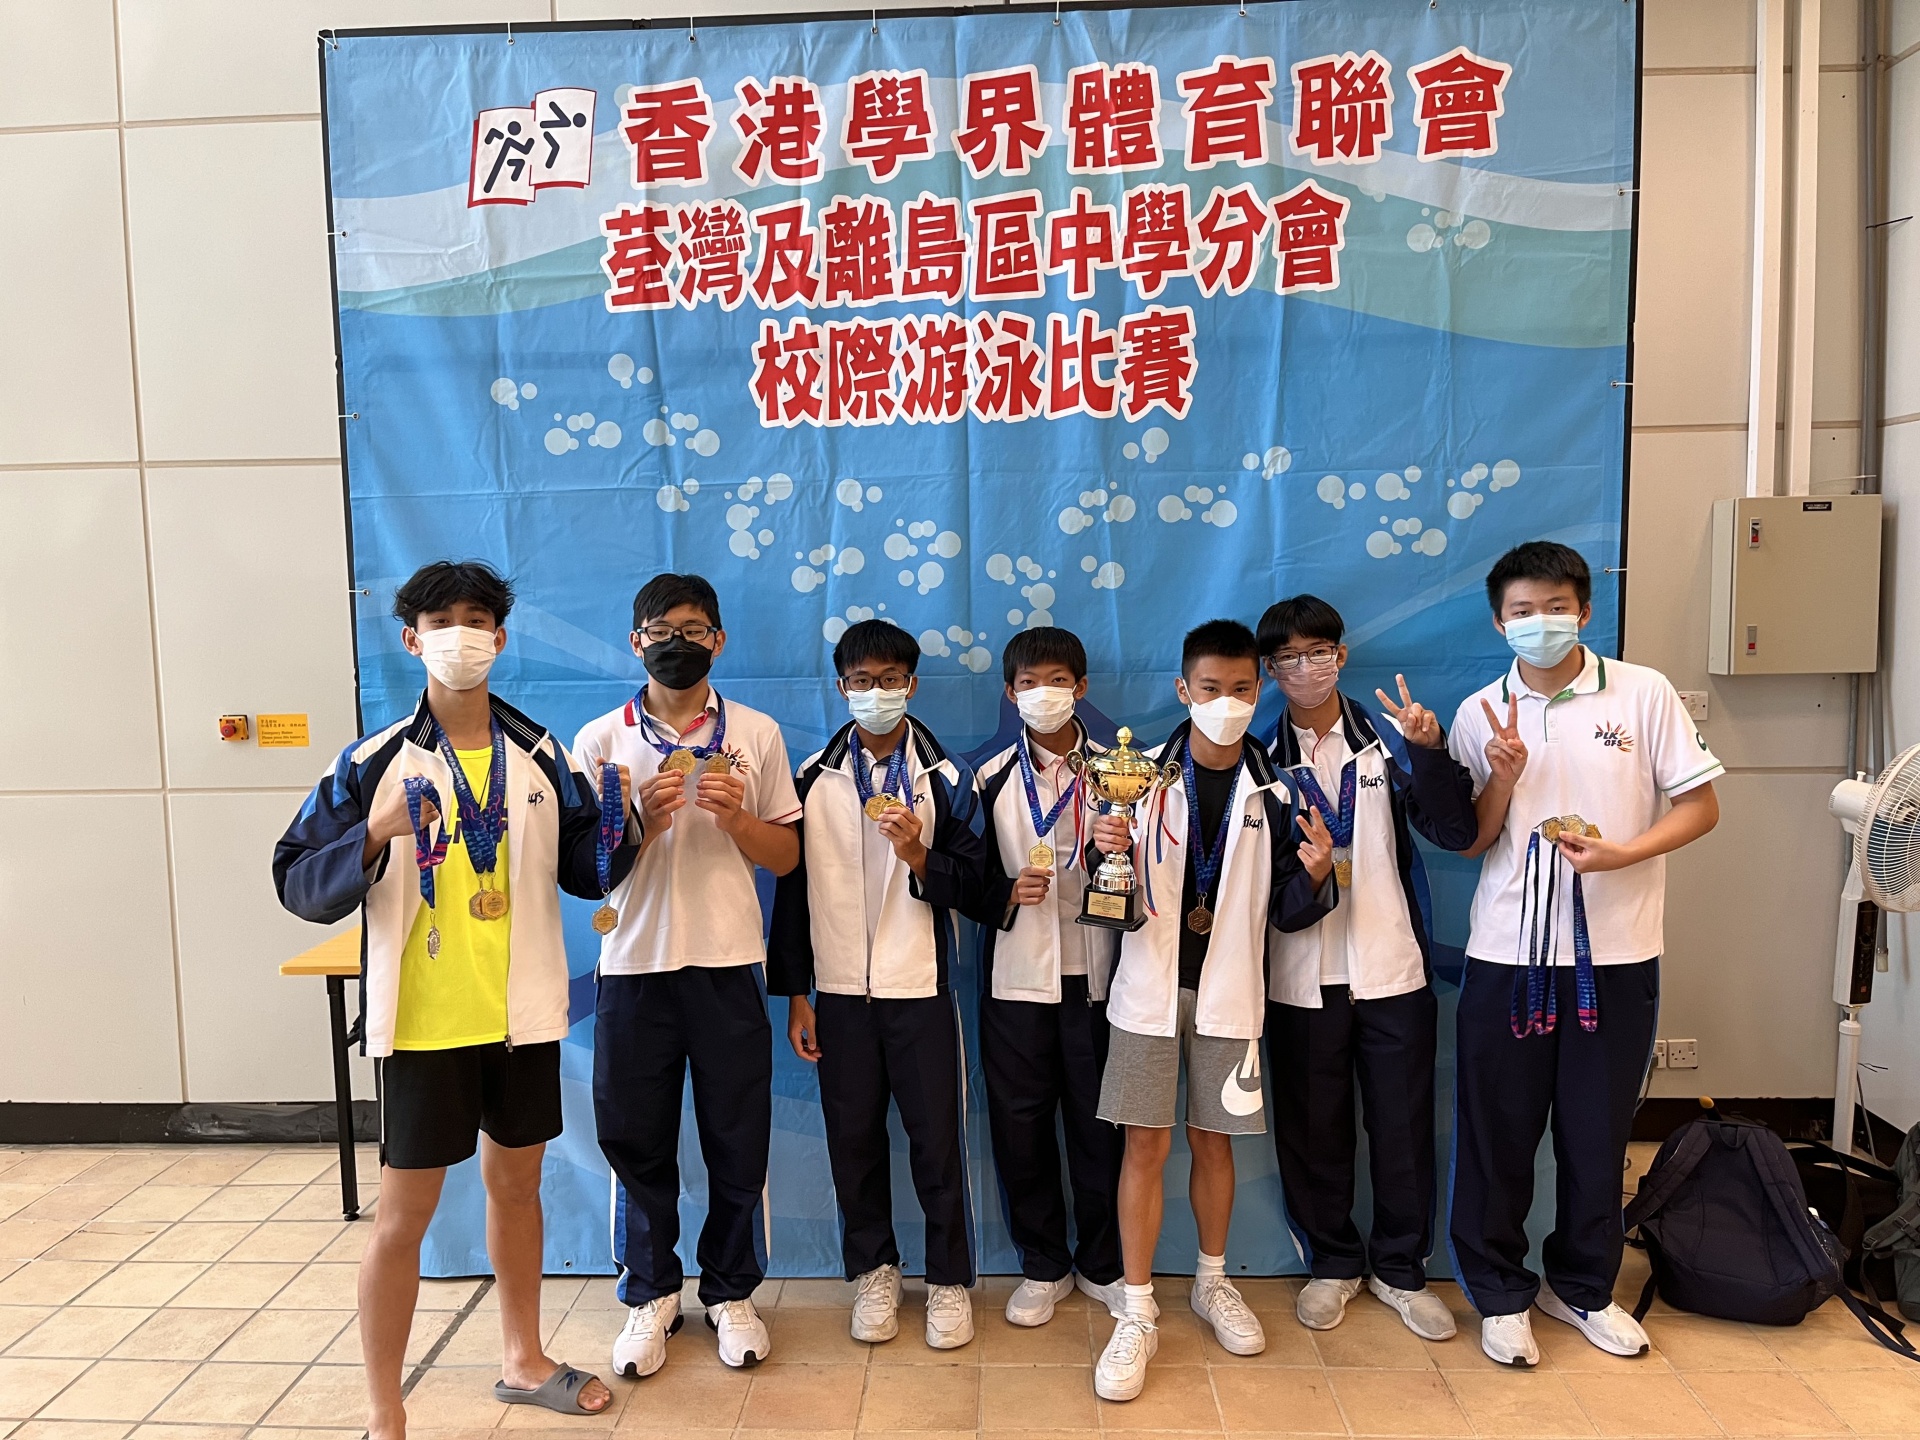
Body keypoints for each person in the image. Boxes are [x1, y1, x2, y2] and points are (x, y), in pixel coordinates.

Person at [273, 561, 632, 1438]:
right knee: (404, 1218)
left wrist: (631, 827)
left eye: (476, 620)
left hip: (522, 1018)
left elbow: (586, 870)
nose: (460, 636)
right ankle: (384, 1410)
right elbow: (295, 879)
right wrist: (374, 831)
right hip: (424, 1026)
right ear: (411, 639)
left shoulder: (542, 754)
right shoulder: (371, 762)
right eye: (441, 622)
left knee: (519, 1189)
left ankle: (523, 1359)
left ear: (499, 639)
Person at [1446, 541, 1721, 1367]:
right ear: (1499, 623)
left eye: (1555, 607)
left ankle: (1583, 1287)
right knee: (1497, 1133)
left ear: (1585, 611)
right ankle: (1500, 1293)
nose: (1541, 623)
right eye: (1522, 612)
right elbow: (1473, 841)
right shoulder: (1478, 712)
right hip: (1506, 955)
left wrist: (1623, 854)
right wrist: (1501, 776)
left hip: (1618, 954)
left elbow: (1701, 806)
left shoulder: (1643, 692)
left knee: (1597, 1135)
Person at [1087, 619, 1338, 1402]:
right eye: (1210, 689)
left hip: (1232, 997)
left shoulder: (1281, 789)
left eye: (1239, 690)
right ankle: (1136, 1307)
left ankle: (1212, 1280)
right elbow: (1107, 897)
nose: (1225, 702)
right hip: (1146, 995)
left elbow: (1287, 911)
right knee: (1144, 1145)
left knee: (1215, 1143)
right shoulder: (1136, 780)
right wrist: (1103, 849)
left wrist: (1317, 874)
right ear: (1182, 691)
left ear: (1258, 692)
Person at [572, 574, 802, 1377]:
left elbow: (787, 856)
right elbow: (586, 870)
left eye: (694, 629)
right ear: (635, 641)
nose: (678, 642)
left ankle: (731, 1291)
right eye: (661, 630)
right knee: (634, 1137)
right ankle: (651, 1294)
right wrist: (638, 819)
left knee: (737, 1135)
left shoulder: (756, 734)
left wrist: (736, 819)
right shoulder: (600, 740)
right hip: (633, 965)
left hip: (727, 962)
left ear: (719, 640)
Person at [1255, 595, 1477, 1341]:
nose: (1306, 668)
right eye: (1289, 658)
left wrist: (1429, 750)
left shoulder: (1387, 742)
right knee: (1312, 1128)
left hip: (1392, 969)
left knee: (1403, 1126)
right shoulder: (1260, 759)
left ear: (1341, 657)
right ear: (1271, 671)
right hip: (1300, 972)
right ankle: (1332, 1263)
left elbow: (1453, 828)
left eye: (1318, 652)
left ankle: (1402, 1271)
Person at [768, 619, 990, 1350]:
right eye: (862, 681)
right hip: (838, 996)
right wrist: (797, 993)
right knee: (853, 1140)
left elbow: (979, 887)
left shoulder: (947, 778)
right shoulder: (813, 778)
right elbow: (792, 893)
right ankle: (874, 1271)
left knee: (937, 1144)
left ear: (911, 684)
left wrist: (921, 855)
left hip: (920, 990)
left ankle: (949, 1280)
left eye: (890, 679)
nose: (876, 692)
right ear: (842, 688)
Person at [964, 627, 1125, 1327]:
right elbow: (962, 877)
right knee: (1020, 1127)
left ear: (1081, 688)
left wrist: (1120, 851)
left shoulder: (1124, 773)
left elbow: (1160, 866)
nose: (1043, 694)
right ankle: (1042, 1264)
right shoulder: (985, 777)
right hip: (1016, 984)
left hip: (1101, 982)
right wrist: (1002, 892)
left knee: (1101, 1128)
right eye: (1028, 683)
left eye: (1057, 680)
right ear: (1010, 693)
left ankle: (1104, 1264)